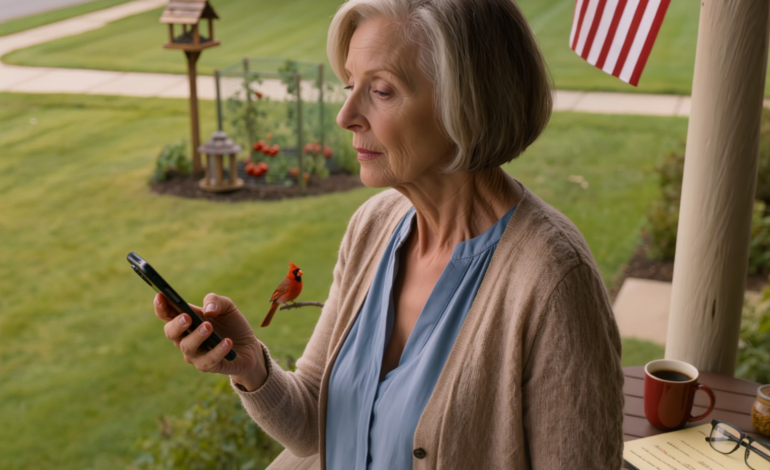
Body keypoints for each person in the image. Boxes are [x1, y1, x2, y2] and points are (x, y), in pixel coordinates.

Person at [152, 0, 625, 468]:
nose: (345, 115)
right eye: (350, 85)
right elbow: (314, 420)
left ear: (467, 104)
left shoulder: (553, 281)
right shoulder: (374, 226)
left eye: (381, 91)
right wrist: (251, 365)